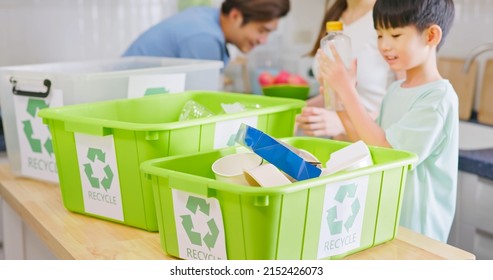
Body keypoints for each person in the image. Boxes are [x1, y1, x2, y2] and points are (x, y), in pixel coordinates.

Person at [317, 0, 457, 242]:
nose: (384, 45)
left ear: (431, 35)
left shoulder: (437, 98)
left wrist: (349, 92)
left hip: (418, 231)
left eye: (395, 34)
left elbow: (390, 153)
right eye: (380, 35)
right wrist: (338, 99)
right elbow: (369, 147)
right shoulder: (395, 90)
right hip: (389, 220)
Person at [296, 0, 397, 138]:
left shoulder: (390, 15)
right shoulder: (335, 16)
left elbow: (405, 105)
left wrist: (342, 122)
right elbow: (336, 92)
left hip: (376, 147)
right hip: (339, 146)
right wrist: (298, 111)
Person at [122, 0, 290, 68]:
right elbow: (200, 103)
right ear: (235, 16)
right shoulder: (204, 37)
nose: (264, 41)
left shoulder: (205, 17)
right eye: (262, 31)